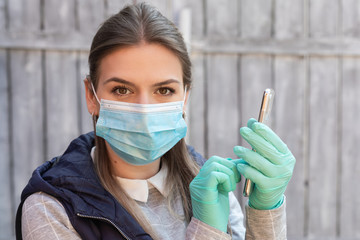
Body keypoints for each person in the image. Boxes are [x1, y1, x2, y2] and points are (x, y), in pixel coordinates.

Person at [15, 3, 295, 240]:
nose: (144, 110)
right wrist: (208, 230)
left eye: (164, 90)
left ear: (184, 97)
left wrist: (265, 212)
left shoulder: (207, 182)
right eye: (122, 90)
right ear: (91, 95)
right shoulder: (50, 209)